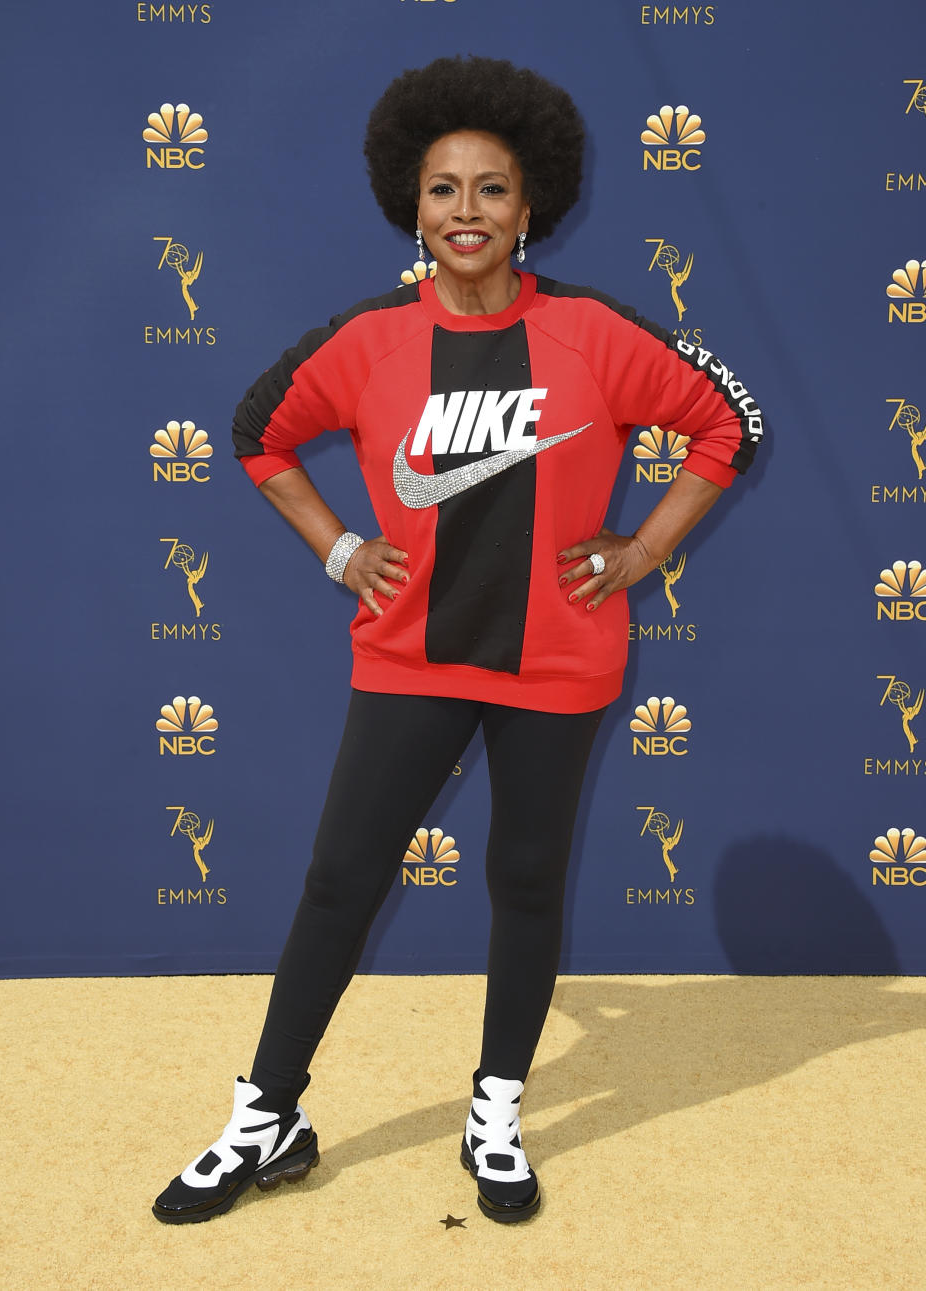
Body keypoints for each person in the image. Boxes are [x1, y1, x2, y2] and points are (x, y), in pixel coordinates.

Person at [152, 54, 763, 1226]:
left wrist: (641, 555)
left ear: (533, 208)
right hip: (409, 657)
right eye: (444, 189)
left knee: (525, 884)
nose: (467, 212)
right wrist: (341, 551)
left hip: (559, 662)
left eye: (492, 189)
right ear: (410, 203)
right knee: (339, 882)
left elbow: (726, 423)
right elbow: (258, 433)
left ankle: (497, 1104)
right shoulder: (374, 338)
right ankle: (268, 1112)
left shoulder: (595, 332)